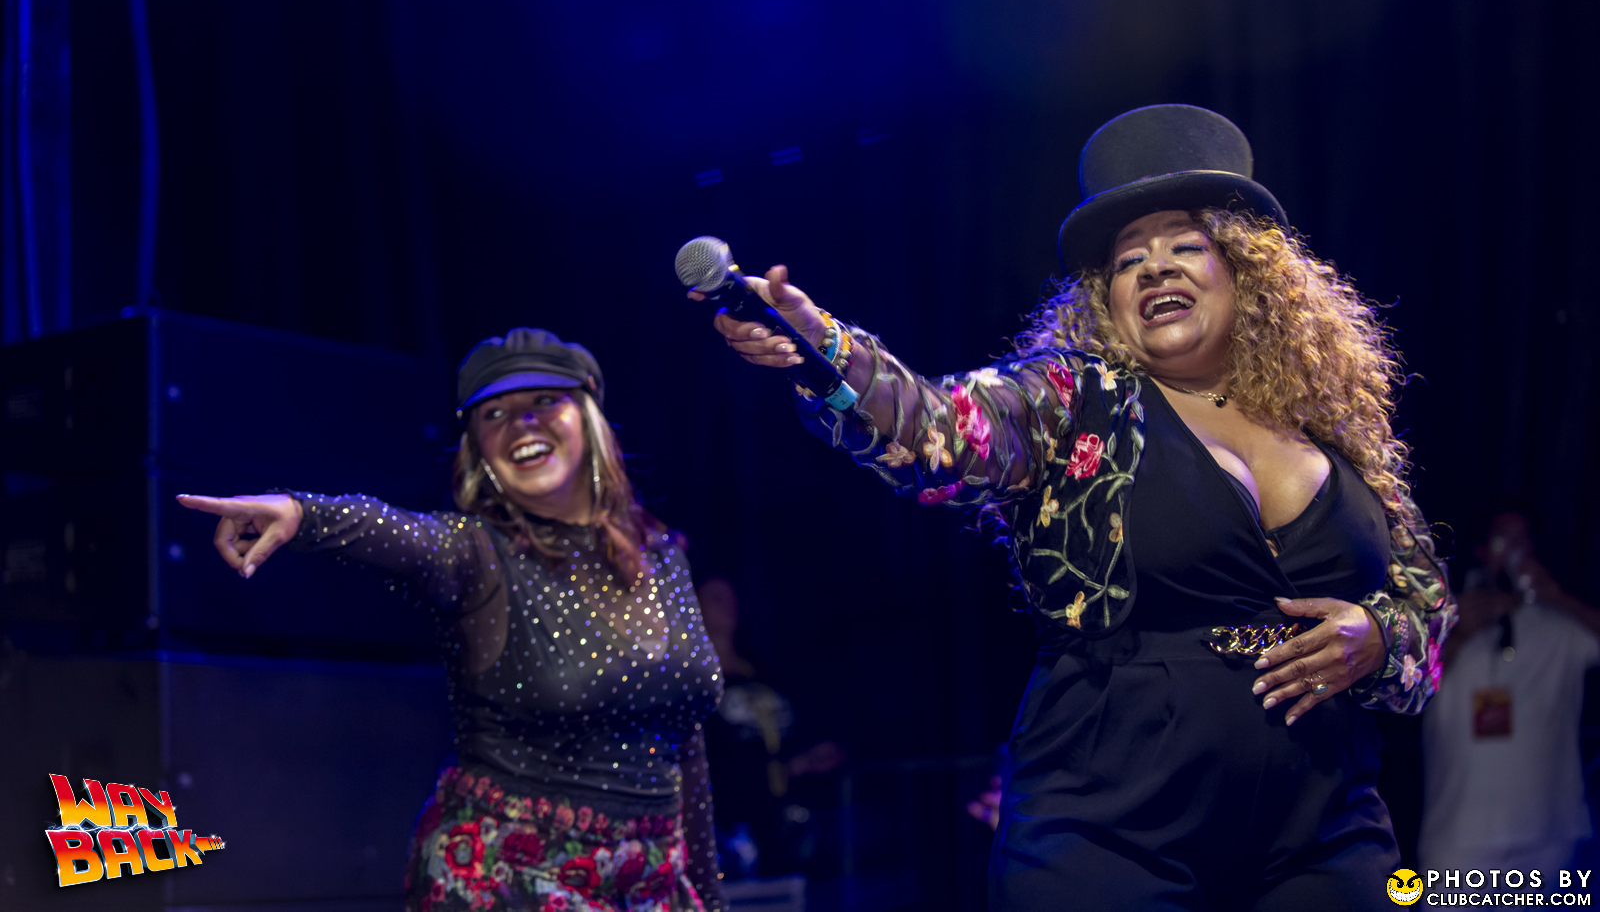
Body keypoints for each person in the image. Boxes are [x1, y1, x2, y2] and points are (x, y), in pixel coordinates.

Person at [696, 104, 1457, 910]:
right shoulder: (1075, 403)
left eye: (1184, 246)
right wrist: (827, 350)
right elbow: (938, 428)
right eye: (1129, 261)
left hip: (1324, 828)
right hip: (1112, 828)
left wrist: (1379, 637)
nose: (1155, 269)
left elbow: (1429, 605)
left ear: (1246, 271)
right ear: (1107, 298)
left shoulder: (1335, 430)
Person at [177, 328, 726, 912]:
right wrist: (302, 513)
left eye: (545, 400)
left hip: (651, 883)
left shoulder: (663, 554)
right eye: (494, 414)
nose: (522, 424)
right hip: (508, 878)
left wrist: (710, 899)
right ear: (478, 449)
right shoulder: (474, 554)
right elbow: (393, 531)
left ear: (588, 416)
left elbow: (685, 745)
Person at [1420, 510, 1600, 883]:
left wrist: (1558, 598)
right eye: (1504, 541)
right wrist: (1458, 635)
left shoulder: (1560, 628)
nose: (1514, 552)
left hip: (1549, 837)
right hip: (1459, 838)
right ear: (1482, 551)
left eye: (1523, 542)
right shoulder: (1444, 626)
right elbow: (1401, 687)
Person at [696, 577, 844, 878]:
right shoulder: (689, 680)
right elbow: (709, 758)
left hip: (787, 815)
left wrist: (811, 757)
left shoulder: (759, 669)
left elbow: (790, 728)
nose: (727, 606)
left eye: (731, 597)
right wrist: (779, 770)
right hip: (729, 828)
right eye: (715, 598)